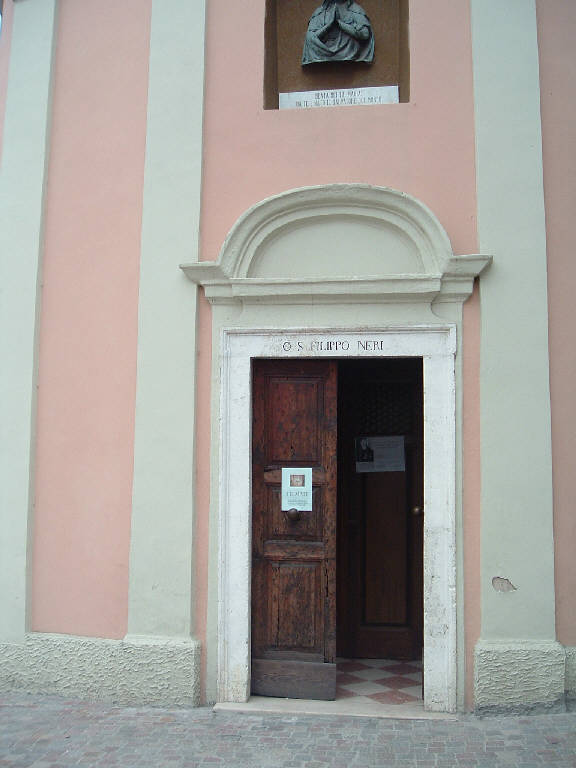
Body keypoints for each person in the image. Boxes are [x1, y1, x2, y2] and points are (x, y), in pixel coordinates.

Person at [302, 0, 374, 66]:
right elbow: (310, 37)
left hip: (349, 50)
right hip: (322, 51)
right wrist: (329, 26)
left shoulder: (355, 9)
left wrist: (340, 24)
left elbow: (365, 34)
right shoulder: (320, 12)